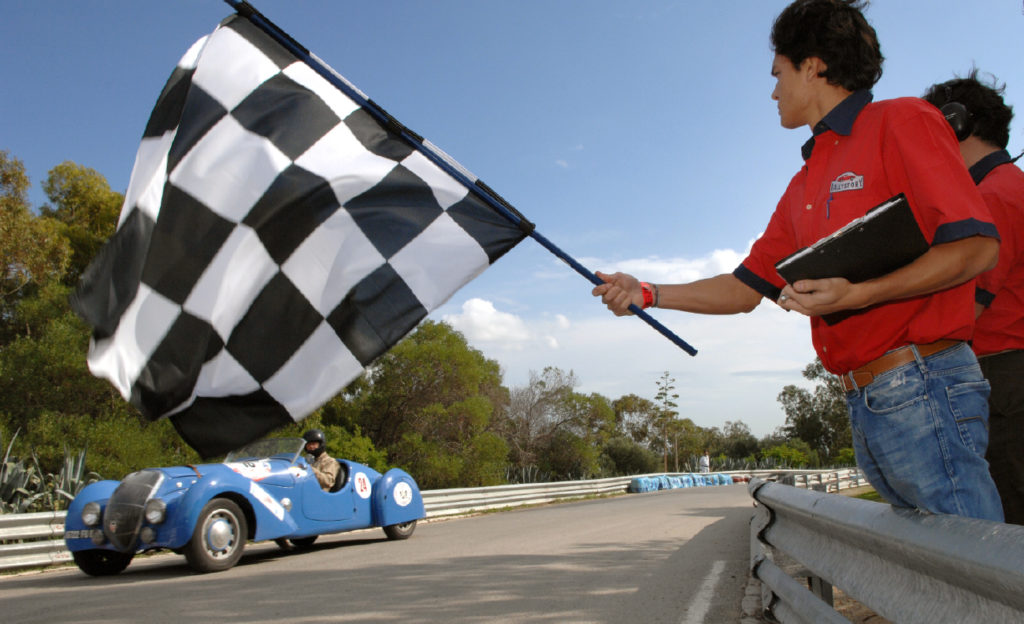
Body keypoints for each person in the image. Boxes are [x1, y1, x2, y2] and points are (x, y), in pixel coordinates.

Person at [593, 0, 1004, 521]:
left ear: (812, 66)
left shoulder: (902, 120)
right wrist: (647, 293)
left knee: (972, 574)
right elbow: (743, 289)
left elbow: (976, 248)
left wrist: (860, 294)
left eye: (778, 73)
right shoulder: (802, 185)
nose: (772, 91)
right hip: (863, 400)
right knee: (930, 575)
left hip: (924, 381)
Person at [923, 72, 1024, 525]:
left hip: (1004, 379)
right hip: (1008, 377)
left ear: (954, 124)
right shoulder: (1010, 185)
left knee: (1008, 535)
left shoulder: (992, 196)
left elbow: (963, 312)